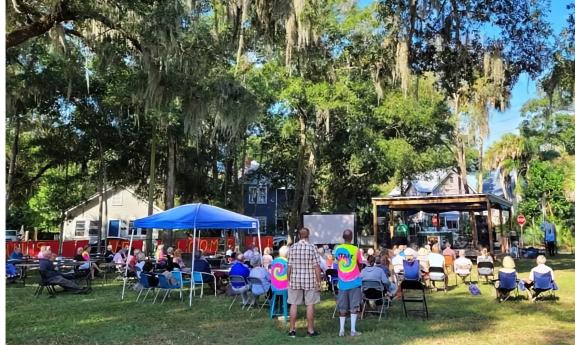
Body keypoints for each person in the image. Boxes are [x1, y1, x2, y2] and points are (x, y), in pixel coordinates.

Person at [287, 227, 322, 338]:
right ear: (308, 235)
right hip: (310, 280)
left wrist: (288, 279)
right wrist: (319, 281)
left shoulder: (292, 248)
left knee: (293, 304)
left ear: (299, 235)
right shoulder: (313, 248)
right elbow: (316, 266)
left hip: (295, 279)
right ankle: (310, 331)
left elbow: (289, 266)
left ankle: (292, 330)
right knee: (310, 304)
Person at [333, 229, 363, 337]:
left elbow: (336, 261)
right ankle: (353, 330)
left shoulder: (337, 249)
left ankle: (341, 330)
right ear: (352, 238)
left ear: (343, 237)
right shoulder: (356, 249)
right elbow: (360, 263)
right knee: (354, 306)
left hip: (342, 282)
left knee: (342, 307)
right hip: (354, 281)